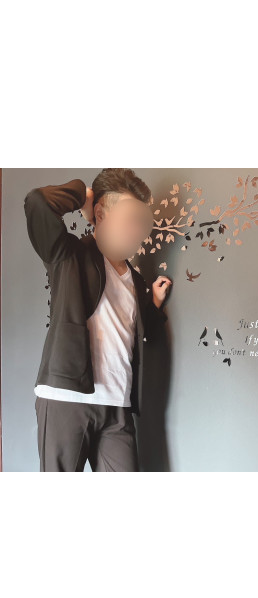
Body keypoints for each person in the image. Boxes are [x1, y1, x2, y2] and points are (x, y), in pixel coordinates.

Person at [24, 168, 173, 471]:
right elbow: (38, 202)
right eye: (128, 218)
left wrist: (155, 305)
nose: (136, 230)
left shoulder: (136, 281)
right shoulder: (69, 256)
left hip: (117, 405)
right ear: (102, 214)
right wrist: (85, 195)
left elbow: (136, 332)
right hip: (67, 399)